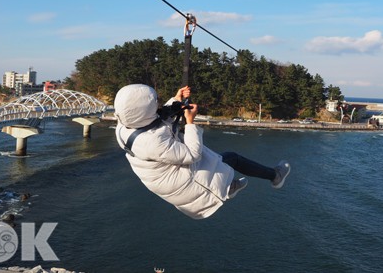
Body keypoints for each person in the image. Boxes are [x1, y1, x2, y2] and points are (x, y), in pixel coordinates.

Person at [114, 84, 291, 219]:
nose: (158, 103)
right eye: (155, 102)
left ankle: (230, 185)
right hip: (185, 185)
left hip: (167, 176)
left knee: (221, 159)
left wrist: (175, 100)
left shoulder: (125, 125)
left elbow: (156, 121)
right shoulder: (151, 142)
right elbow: (192, 155)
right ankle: (272, 177)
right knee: (231, 158)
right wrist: (190, 122)